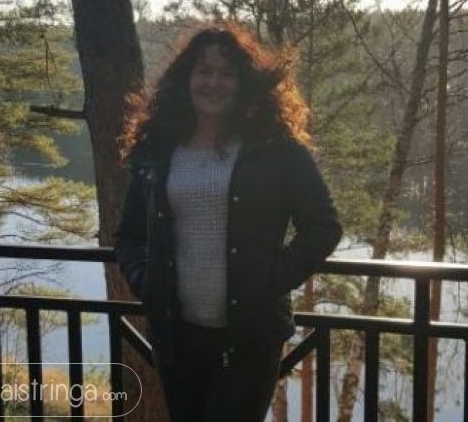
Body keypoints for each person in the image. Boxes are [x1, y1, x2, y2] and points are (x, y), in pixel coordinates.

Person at [114, 22, 342, 422]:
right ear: (186, 78)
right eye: (203, 71)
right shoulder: (159, 150)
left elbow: (324, 226)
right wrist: (145, 281)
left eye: (226, 73)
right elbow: (129, 235)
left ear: (243, 82)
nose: (213, 83)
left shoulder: (276, 149)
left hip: (250, 338)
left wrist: (271, 279)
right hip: (177, 340)